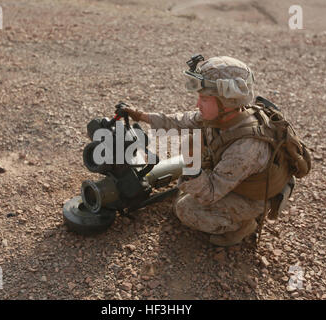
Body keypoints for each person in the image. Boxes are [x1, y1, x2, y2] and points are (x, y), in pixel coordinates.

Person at [122, 55, 296, 246]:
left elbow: (209, 194)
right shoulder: (223, 116)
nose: (197, 104)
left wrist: (191, 165)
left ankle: (243, 225)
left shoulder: (245, 148)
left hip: (254, 197)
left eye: (204, 98)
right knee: (186, 187)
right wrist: (140, 115)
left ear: (226, 101)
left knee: (186, 210)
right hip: (235, 178)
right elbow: (179, 121)